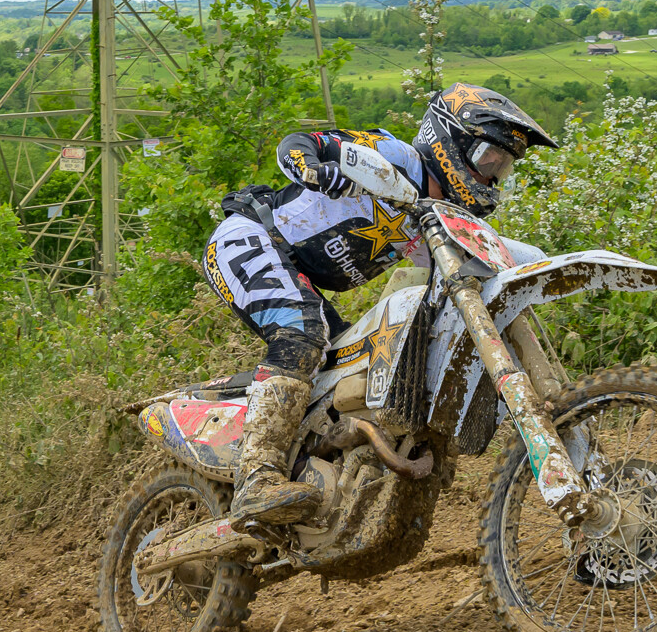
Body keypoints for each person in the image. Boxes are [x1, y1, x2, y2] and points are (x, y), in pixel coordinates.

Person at [202, 84, 557, 525]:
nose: (492, 175)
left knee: (345, 366)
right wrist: (313, 169)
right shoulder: (394, 157)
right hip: (249, 238)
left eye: (502, 166)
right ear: (452, 140)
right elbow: (301, 143)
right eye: (489, 158)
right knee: (302, 335)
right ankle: (257, 477)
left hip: (302, 276)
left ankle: (312, 466)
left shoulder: (434, 214)